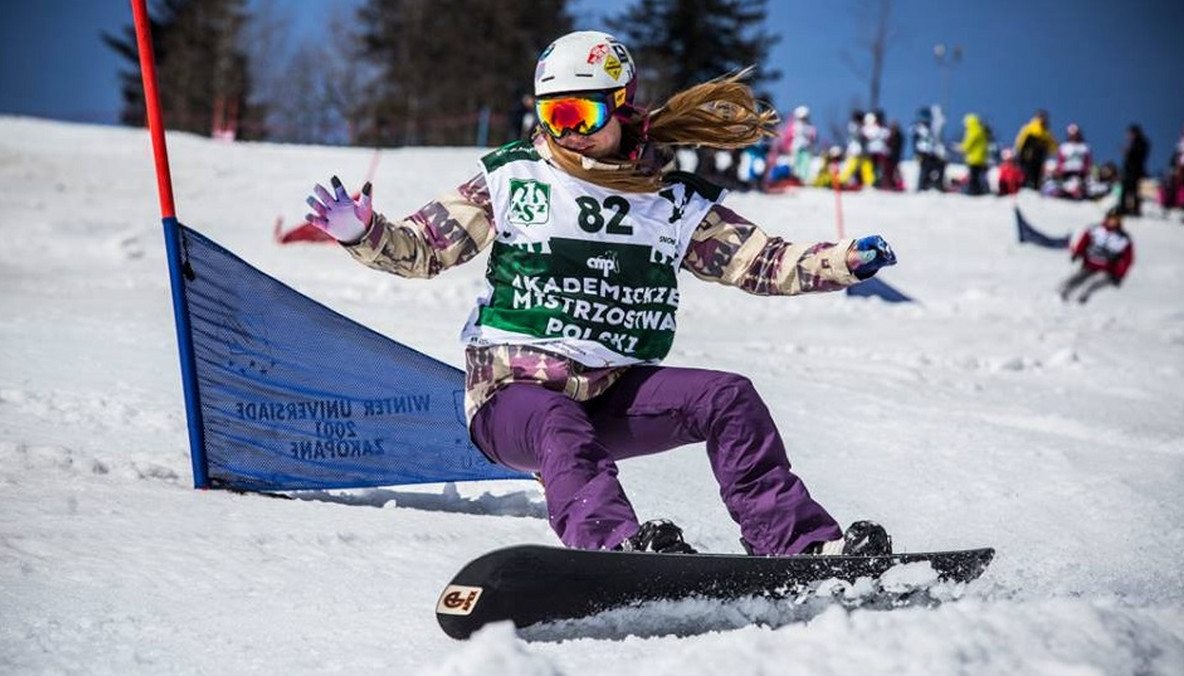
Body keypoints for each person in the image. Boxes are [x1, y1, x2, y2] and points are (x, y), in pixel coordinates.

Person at [303, 31, 897, 557]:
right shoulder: (515, 178)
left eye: (579, 116)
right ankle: (613, 546)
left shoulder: (671, 202)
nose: (568, 133)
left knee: (729, 398)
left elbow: (761, 263)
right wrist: (366, 232)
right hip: (513, 397)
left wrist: (840, 262)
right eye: (552, 117)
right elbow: (426, 248)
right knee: (558, 422)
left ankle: (798, 545)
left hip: (611, 392)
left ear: (621, 108)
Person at [1059, 207, 1134, 304]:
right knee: (1075, 278)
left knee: (1093, 282)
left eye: (1116, 219)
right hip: (1089, 265)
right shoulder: (1095, 230)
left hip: (1107, 270)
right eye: (1111, 218)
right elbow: (1084, 242)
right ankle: (1062, 293)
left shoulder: (1123, 239)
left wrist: (1119, 275)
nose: (1112, 221)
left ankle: (1081, 299)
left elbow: (1127, 260)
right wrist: (1077, 253)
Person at [1015, 110, 1057, 189]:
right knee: (1026, 173)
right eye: (1040, 117)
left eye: (1044, 118)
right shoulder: (1030, 128)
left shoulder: (1047, 133)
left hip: (1040, 157)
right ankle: (1025, 187)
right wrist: (1021, 153)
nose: (1042, 119)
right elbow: (1021, 141)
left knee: (1037, 175)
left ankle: (1035, 189)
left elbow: (1053, 148)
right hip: (1029, 156)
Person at [1053, 123, 1092, 200]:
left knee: (1077, 183)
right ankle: (1064, 192)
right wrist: (1059, 170)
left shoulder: (1085, 147)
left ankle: (1076, 192)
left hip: (1080, 173)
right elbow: (1060, 160)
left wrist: (1086, 171)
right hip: (1065, 172)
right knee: (1062, 184)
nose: (1073, 135)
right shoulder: (1064, 146)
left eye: (1075, 133)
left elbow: (1088, 161)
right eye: (1071, 133)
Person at [911, 106, 946, 191]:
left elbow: (934, 141)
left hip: (931, 153)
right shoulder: (918, 128)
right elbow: (916, 143)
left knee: (939, 166)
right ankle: (921, 186)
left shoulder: (930, 129)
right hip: (923, 153)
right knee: (925, 170)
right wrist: (917, 153)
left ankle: (937, 185)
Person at [1120, 124, 1149, 216]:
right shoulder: (1134, 143)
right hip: (1129, 171)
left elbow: (1139, 156)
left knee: (1134, 191)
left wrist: (1129, 152)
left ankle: (1134, 209)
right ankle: (1124, 208)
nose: (1129, 136)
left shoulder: (1142, 143)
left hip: (1135, 171)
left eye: (1130, 133)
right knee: (1126, 190)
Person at [957, 113, 990, 195]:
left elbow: (968, 143)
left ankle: (973, 192)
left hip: (974, 158)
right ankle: (980, 190)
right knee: (979, 176)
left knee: (973, 177)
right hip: (981, 158)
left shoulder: (973, 131)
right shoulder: (981, 131)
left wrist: (961, 147)